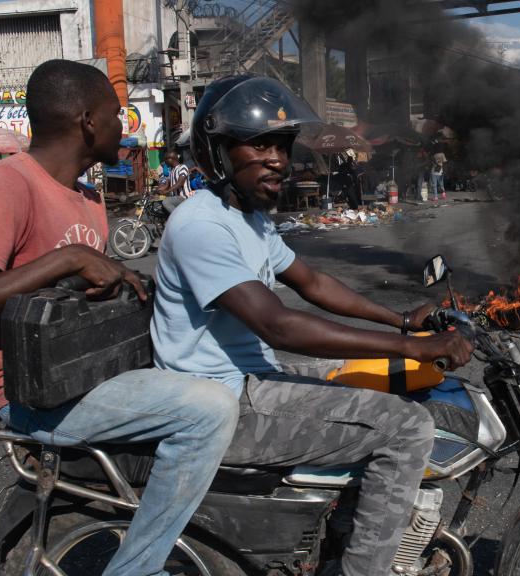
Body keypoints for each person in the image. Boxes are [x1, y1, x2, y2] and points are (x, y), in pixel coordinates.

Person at [0, 60, 239, 576]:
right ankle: (135, 568)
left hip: (92, 377)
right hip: (33, 398)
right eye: (119, 115)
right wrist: (64, 259)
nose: (126, 128)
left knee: (222, 372)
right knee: (208, 408)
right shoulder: (5, 185)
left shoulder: (88, 197)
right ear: (89, 120)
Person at [155, 75, 473, 576]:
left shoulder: (249, 220)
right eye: (259, 143)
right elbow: (279, 325)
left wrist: (403, 322)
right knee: (408, 428)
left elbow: (314, 284)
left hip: (253, 380)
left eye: (281, 145)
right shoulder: (202, 226)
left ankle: (338, 533)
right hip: (220, 403)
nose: (278, 159)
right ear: (217, 150)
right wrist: (410, 348)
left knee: (367, 381)